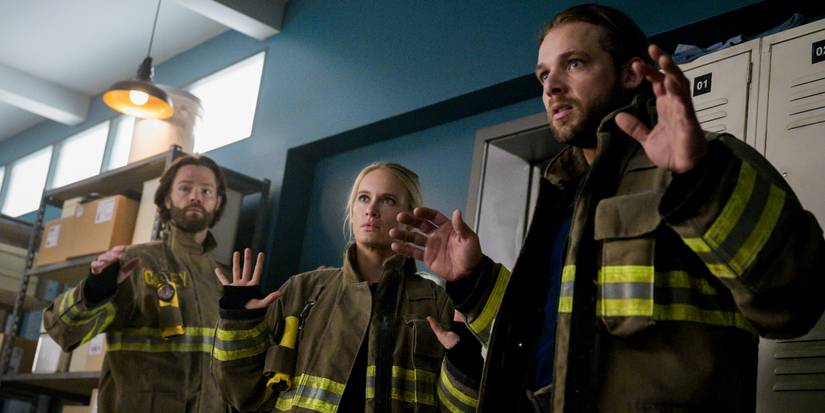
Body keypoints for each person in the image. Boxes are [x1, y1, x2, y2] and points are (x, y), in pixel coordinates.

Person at [390, 4, 825, 412]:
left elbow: (795, 303)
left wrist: (702, 181)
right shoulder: (564, 196)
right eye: (543, 75)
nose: (551, 86)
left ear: (631, 74)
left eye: (574, 64)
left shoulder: (707, 165)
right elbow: (548, 341)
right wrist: (474, 279)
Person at [212, 162, 481, 412]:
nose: (371, 210)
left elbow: (459, 408)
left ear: (408, 218)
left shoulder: (435, 301)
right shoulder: (301, 290)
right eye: (363, 198)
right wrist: (240, 323)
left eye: (388, 200)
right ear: (351, 211)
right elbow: (243, 395)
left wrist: (463, 359)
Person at [44, 155, 235, 412]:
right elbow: (64, 332)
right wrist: (96, 290)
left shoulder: (224, 281)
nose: (195, 197)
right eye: (185, 188)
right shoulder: (135, 263)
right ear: (167, 199)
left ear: (218, 201)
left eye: (206, 191)